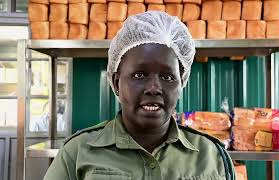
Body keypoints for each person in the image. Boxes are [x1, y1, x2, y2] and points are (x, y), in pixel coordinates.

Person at [44, 11, 235, 180]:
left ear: (181, 83)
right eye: (139, 75)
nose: (153, 88)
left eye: (167, 76)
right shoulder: (77, 153)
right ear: (117, 83)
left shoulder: (212, 156)